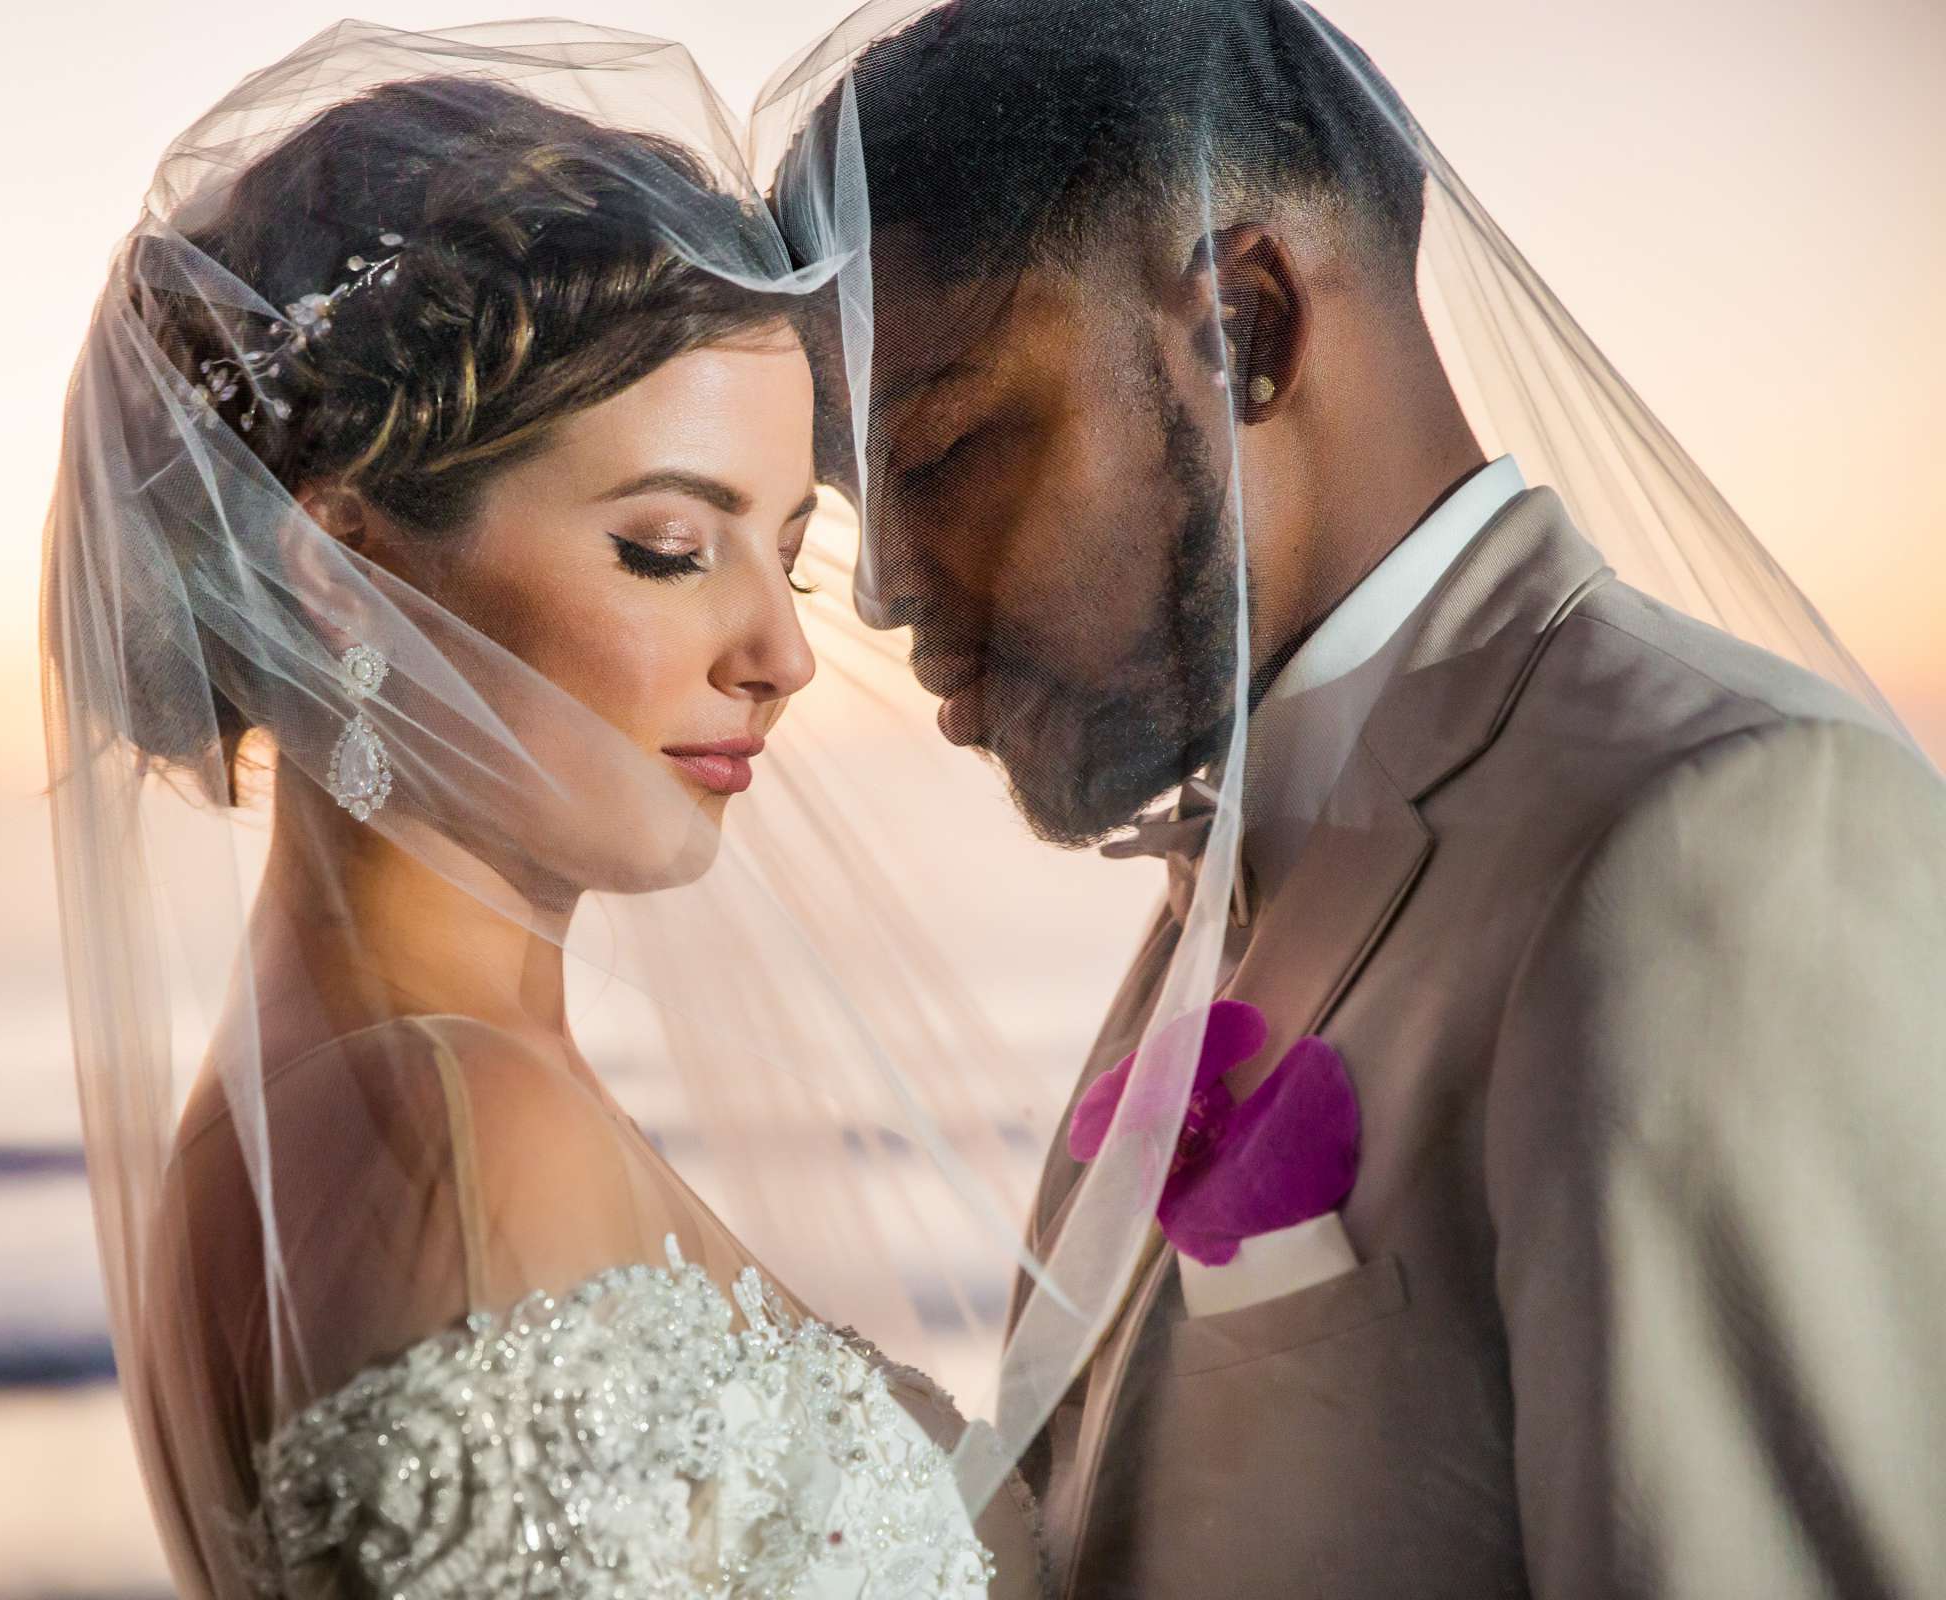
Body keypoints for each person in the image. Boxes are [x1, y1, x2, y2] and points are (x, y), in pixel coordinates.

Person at [786, 0, 1946, 1593]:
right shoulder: (1223, 885)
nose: (887, 592)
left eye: (943, 450)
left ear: (1246, 326)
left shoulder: (1712, 846)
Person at [41, 27, 1042, 1600]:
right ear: (341, 569)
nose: (782, 654)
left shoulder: (316, 1108)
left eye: (785, 551)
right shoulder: (456, 1130)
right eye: (664, 545)